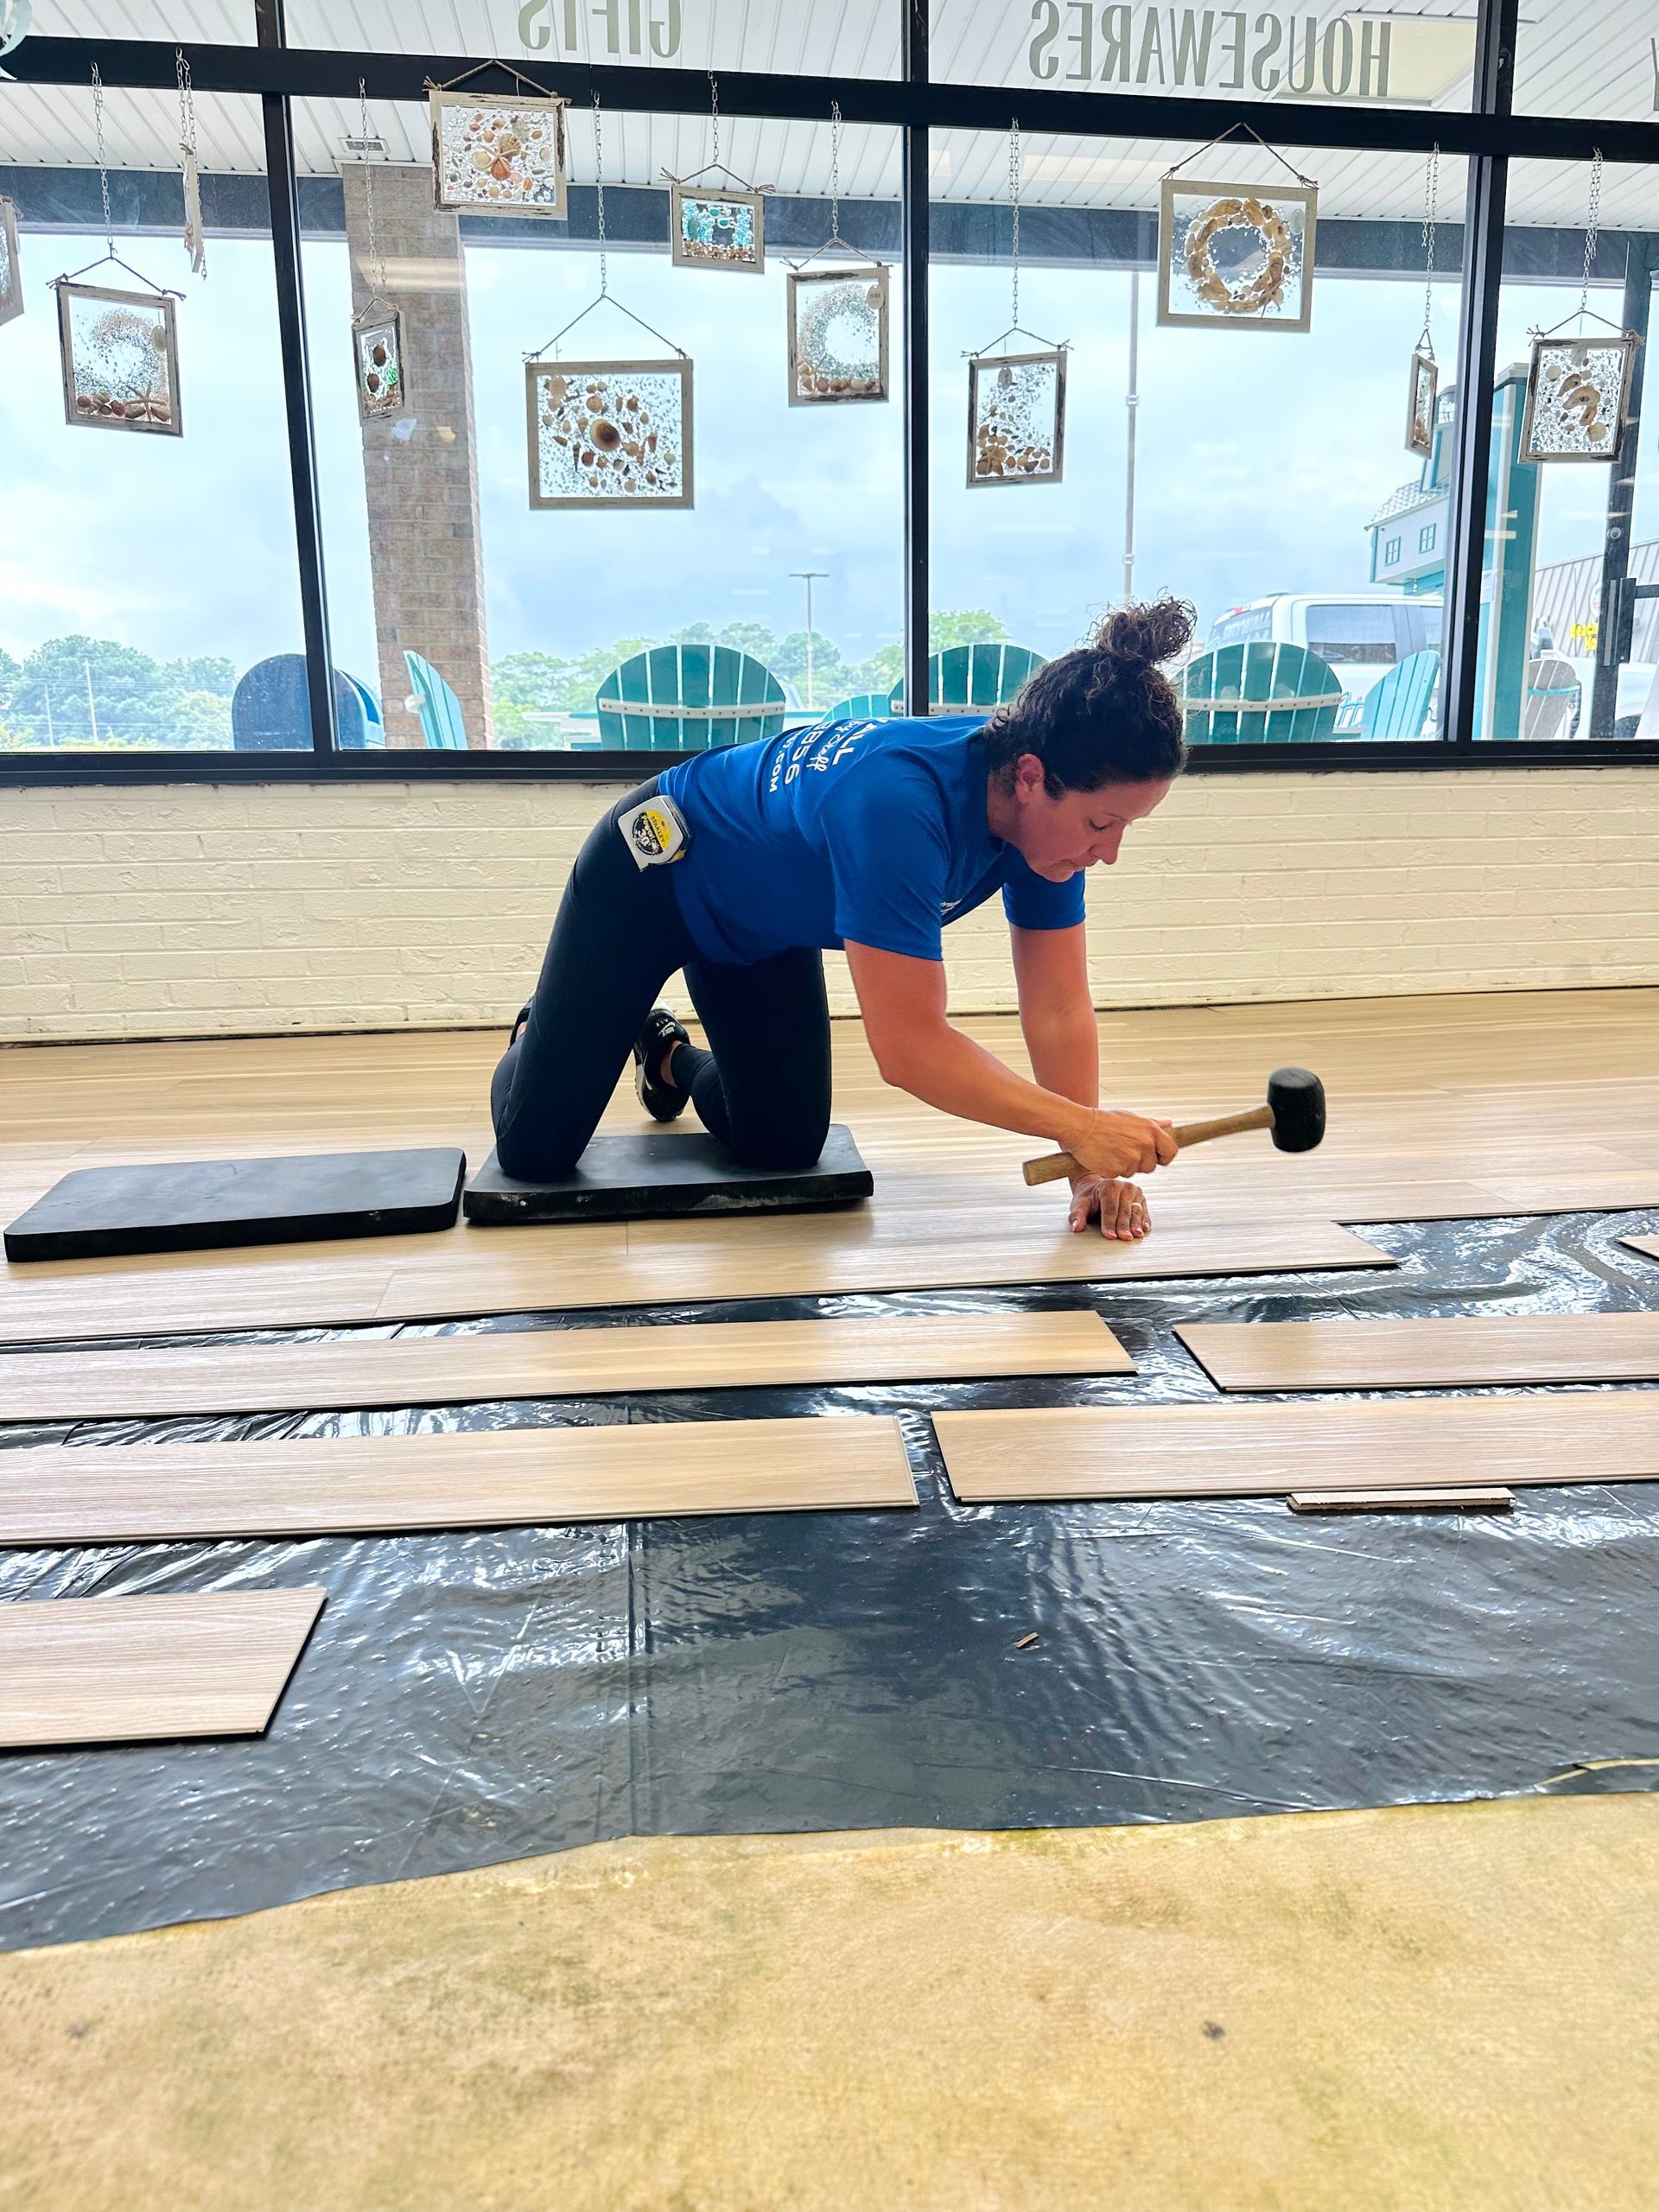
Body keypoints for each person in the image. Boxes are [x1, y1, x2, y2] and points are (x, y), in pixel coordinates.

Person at [490, 596, 1192, 1242]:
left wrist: (1089, 1167)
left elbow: (1059, 1011)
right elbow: (909, 1049)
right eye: (1102, 824)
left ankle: (666, 1055)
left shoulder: (1045, 840)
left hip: (763, 927)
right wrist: (1084, 1127)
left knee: (780, 1144)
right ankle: (543, 1028)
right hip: (653, 872)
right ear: (1033, 777)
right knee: (535, 1153)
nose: (1110, 853)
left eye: (1125, 827)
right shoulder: (898, 805)